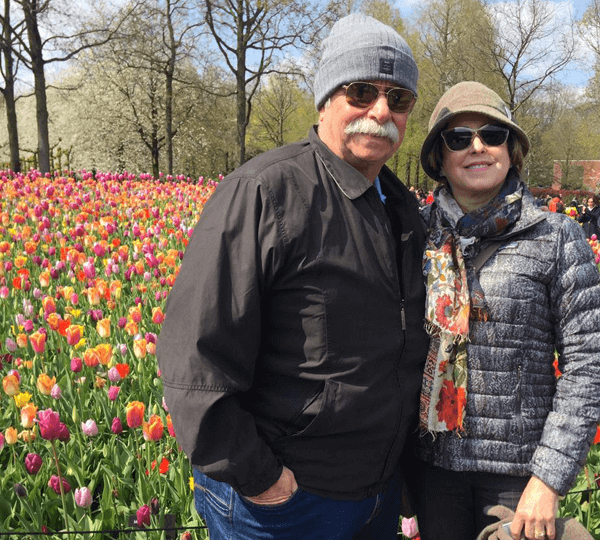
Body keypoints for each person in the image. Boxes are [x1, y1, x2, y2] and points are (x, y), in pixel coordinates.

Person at [157, 14, 428, 539]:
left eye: (399, 99)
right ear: (326, 97)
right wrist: (261, 479)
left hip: (377, 493)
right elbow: (196, 357)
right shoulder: (265, 192)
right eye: (361, 90)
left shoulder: (402, 210)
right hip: (285, 503)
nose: (380, 111)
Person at [407, 81, 600, 540]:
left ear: (511, 149)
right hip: (434, 469)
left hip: (517, 478)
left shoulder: (555, 237)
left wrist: (549, 479)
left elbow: (589, 364)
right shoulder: (414, 235)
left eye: (493, 135)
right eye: (459, 138)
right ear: (439, 157)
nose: (477, 146)